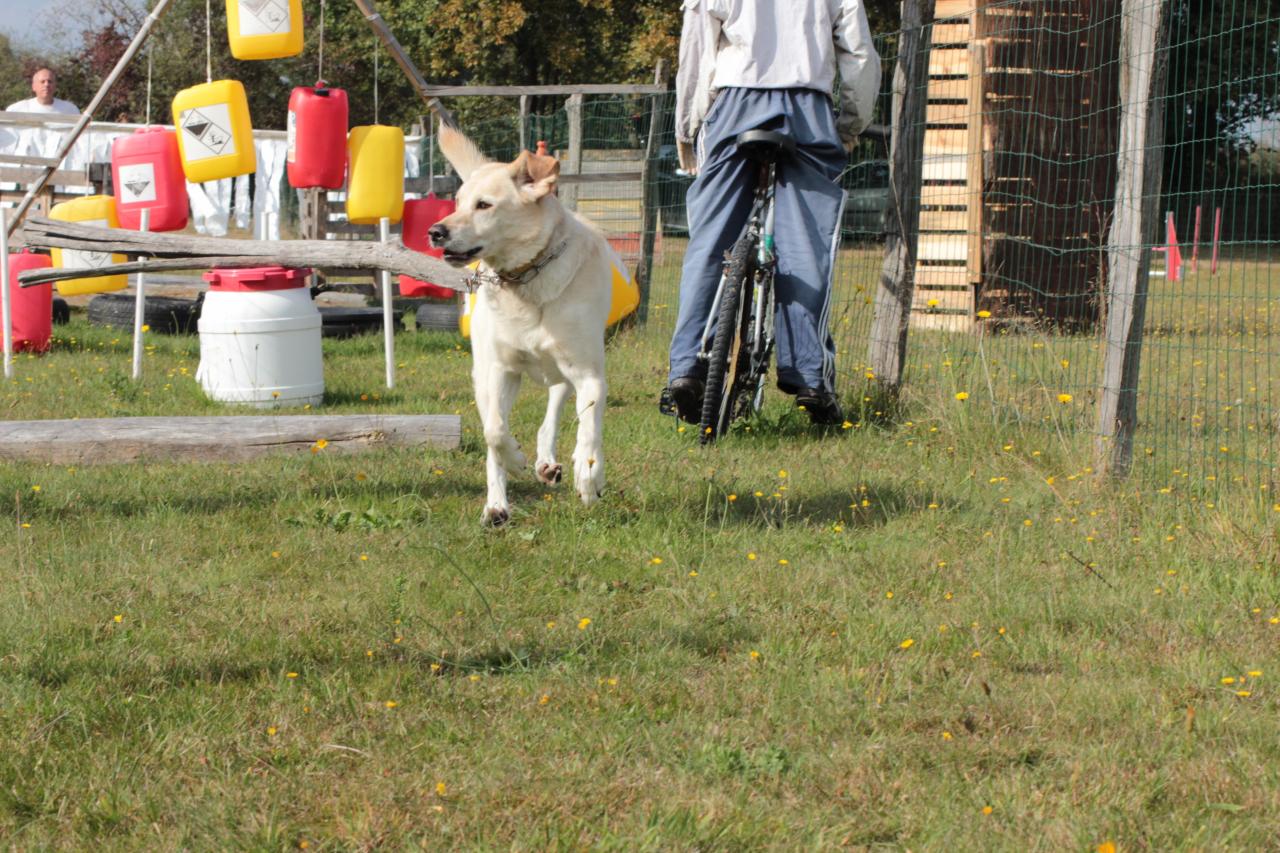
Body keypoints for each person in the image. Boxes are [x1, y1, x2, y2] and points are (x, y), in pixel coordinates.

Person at [665, 0, 880, 426]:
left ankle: (688, 366)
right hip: (808, 108)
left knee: (710, 241)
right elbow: (859, 54)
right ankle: (809, 375)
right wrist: (850, 125)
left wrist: (687, 129)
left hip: (734, 105)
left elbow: (696, 51)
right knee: (806, 243)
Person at [6, 68, 80, 115]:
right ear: (33, 87)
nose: (46, 84)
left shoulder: (70, 109)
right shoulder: (17, 109)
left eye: (50, 81)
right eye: (42, 82)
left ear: (55, 86)